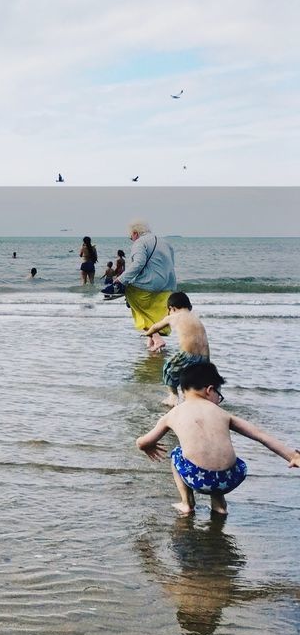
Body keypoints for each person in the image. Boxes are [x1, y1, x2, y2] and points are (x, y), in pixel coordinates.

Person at [135, 362, 300, 516]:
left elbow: (143, 442)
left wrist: (146, 447)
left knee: (177, 453)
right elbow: (261, 436)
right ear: (209, 390)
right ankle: (219, 506)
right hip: (230, 479)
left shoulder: (172, 414)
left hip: (197, 479)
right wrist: (293, 456)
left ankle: (186, 503)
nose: (218, 400)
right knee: (220, 456)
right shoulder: (223, 414)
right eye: (218, 395)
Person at [117, 219, 177, 351]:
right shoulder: (165, 242)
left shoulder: (140, 243)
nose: (131, 239)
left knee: (133, 299)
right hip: (168, 283)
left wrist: (121, 280)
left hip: (151, 282)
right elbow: (172, 263)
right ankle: (151, 343)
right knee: (155, 312)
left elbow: (138, 263)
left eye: (130, 236)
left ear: (135, 233)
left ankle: (157, 338)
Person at [143, 292, 210, 406]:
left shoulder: (173, 316)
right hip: (205, 357)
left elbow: (155, 327)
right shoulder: (195, 318)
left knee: (168, 369)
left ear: (172, 308)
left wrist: (148, 334)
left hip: (188, 355)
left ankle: (173, 397)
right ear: (189, 307)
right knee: (195, 378)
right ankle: (194, 398)